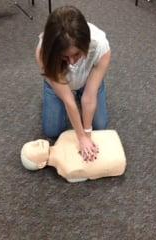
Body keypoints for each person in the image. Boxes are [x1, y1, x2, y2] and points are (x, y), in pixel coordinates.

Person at [35, 5, 111, 162]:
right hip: (60, 85)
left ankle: (85, 92)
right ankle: (51, 93)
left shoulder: (101, 46)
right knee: (52, 131)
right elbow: (69, 100)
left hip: (87, 83)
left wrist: (87, 134)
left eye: (76, 54)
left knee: (100, 126)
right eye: (64, 57)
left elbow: (89, 97)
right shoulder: (44, 52)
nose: (71, 62)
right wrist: (80, 136)